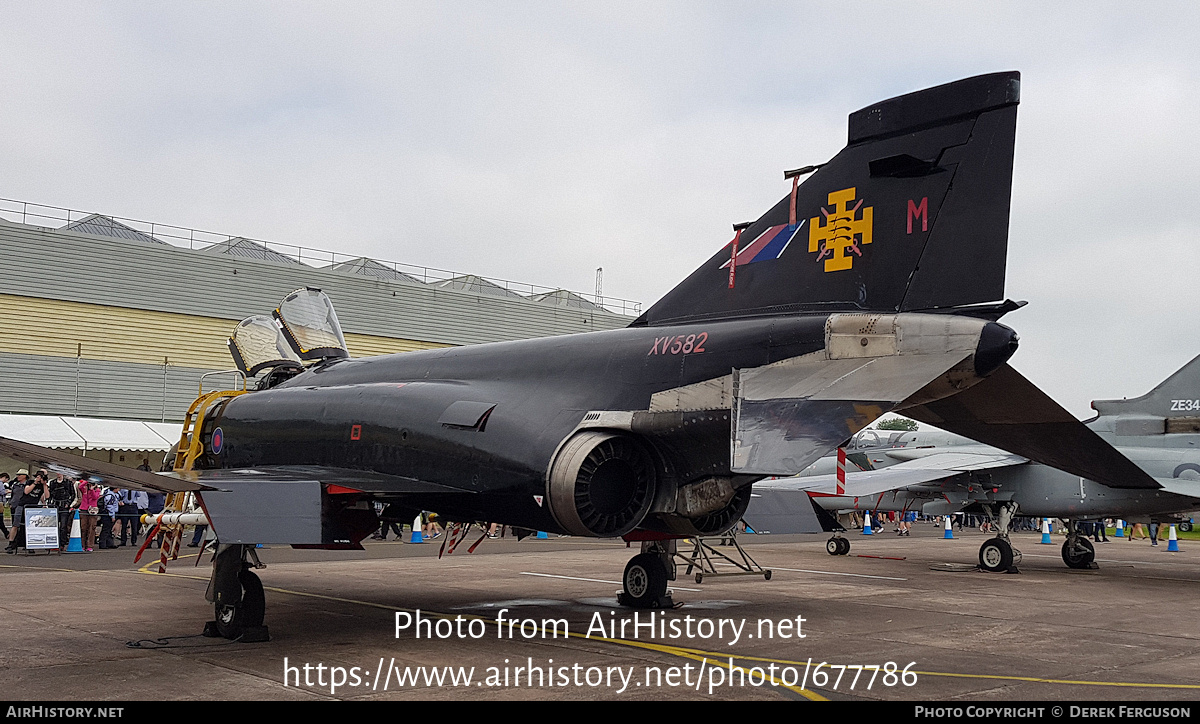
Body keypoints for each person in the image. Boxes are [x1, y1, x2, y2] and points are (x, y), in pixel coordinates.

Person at [48, 471, 76, 550]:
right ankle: (53, 542)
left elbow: (73, 494)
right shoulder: (52, 482)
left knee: (63, 526)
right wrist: (50, 503)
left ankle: (62, 543)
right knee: (54, 525)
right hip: (55, 505)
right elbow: (50, 494)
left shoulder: (68, 483)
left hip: (64, 506)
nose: (59, 474)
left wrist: (68, 503)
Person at [78, 480, 102, 552]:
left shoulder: (97, 490)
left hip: (93, 510)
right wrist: (87, 481)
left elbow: (95, 497)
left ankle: (90, 545)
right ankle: (83, 545)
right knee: (83, 528)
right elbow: (80, 486)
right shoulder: (84, 489)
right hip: (84, 509)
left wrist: (92, 489)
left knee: (92, 528)